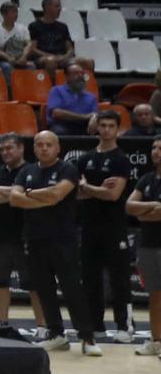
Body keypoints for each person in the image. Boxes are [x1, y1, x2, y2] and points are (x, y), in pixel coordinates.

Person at [15, 129, 97, 353]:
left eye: (48, 144)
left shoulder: (67, 169)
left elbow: (57, 195)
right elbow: (14, 198)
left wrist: (30, 194)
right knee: (44, 288)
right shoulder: (27, 170)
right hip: (34, 239)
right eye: (39, 144)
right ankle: (56, 333)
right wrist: (42, 197)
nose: (44, 148)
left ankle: (87, 338)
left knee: (72, 288)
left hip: (63, 240)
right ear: (34, 148)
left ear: (58, 148)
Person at [73, 106, 135, 344]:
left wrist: (89, 188)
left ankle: (123, 326)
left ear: (118, 130)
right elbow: (76, 194)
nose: (107, 130)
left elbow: (114, 195)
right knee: (90, 279)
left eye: (111, 126)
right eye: (103, 125)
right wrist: (95, 190)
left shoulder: (121, 160)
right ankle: (95, 325)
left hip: (114, 227)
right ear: (96, 127)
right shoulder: (85, 159)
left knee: (119, 279)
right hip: (89, 227)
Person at [0, 132, 36, 337]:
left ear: (21, 148)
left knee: (34, 285)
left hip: (25, 236)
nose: (5, 152)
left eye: (10, 147)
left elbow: (30, 197)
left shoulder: (32, 170)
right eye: (2, 149)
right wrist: (15, 195)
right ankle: (2, 322)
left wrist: (1, 191)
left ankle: (43, 327)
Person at [125, 139, 161, 358]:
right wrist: (153, 207)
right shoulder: (146, 179)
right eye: (154, 148)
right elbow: (130, 207)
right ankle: (156, 340)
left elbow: (140, 212)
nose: (156, 152)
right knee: (155, 296)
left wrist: (143, 213)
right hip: (148, 245)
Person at [44, 61, 98, 130]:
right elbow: (57, 114)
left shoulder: (91, 97)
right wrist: (85, 116)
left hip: (83, 127)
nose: (80, 76)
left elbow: (94, 115)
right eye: (76, 73)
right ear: (67, 76)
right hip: (62, 125)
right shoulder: (56, 90)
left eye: (82, 73)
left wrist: (94, 118)